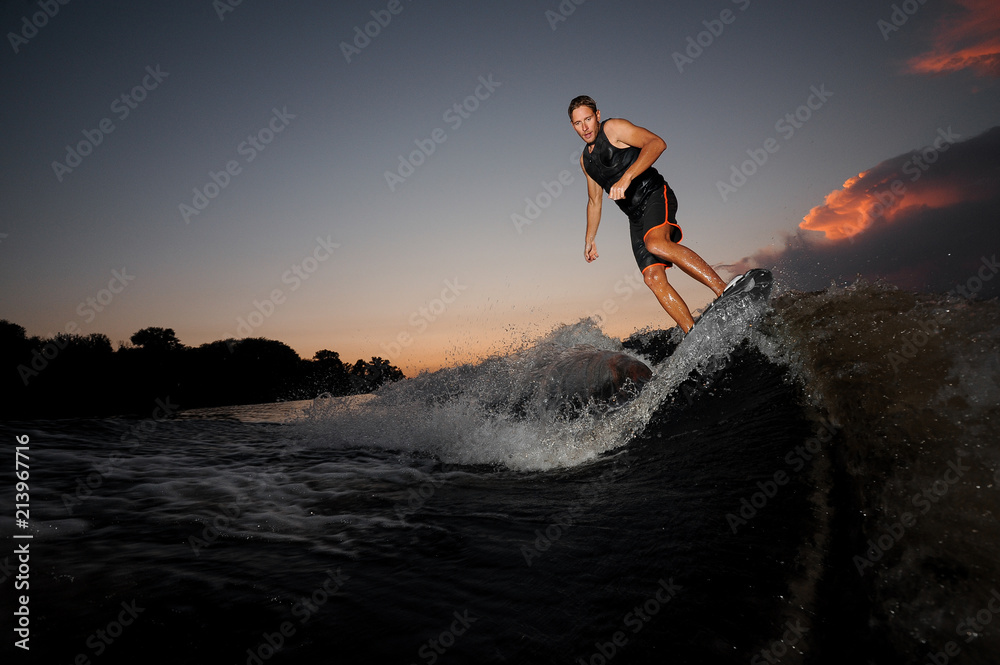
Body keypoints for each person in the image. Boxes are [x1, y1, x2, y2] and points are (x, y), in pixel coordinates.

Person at [569, 95, 731, 333]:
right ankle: (693, 334)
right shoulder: (586, 161)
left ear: (598, 116)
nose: (584, 127)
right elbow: (594, 201)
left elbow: (656, 143)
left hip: (654, 194)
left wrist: (627, 177)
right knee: (652, 278)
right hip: (635, 217)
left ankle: (726, 291)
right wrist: (589, 239)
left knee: (656, 243)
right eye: (577, 123)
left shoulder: (614, 128)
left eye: (588, 119)